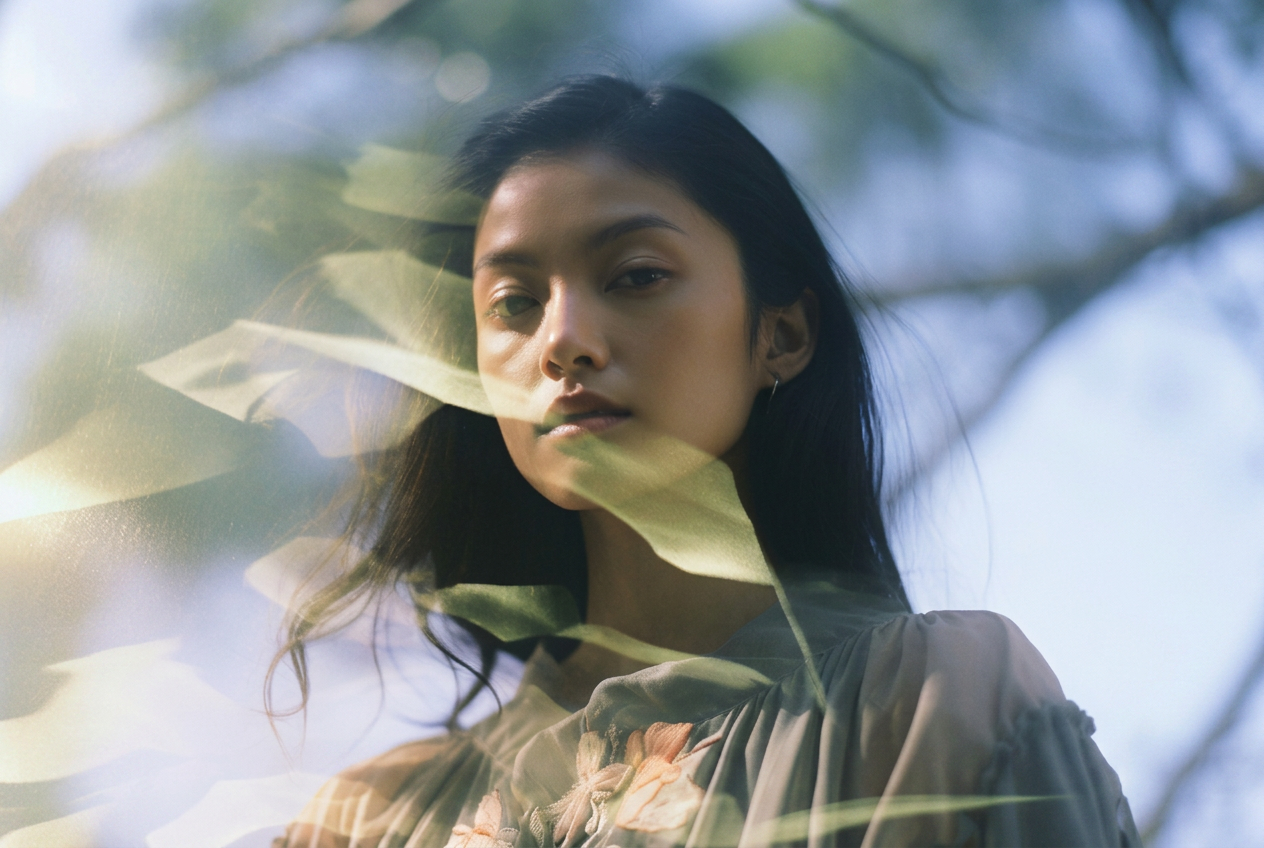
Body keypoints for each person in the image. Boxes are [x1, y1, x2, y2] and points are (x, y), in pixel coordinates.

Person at [272, 76, 1141, 847]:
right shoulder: (365, 822)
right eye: (515, 303)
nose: (562, 340)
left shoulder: (931, 704)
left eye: (636, 275)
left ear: (783, 333)